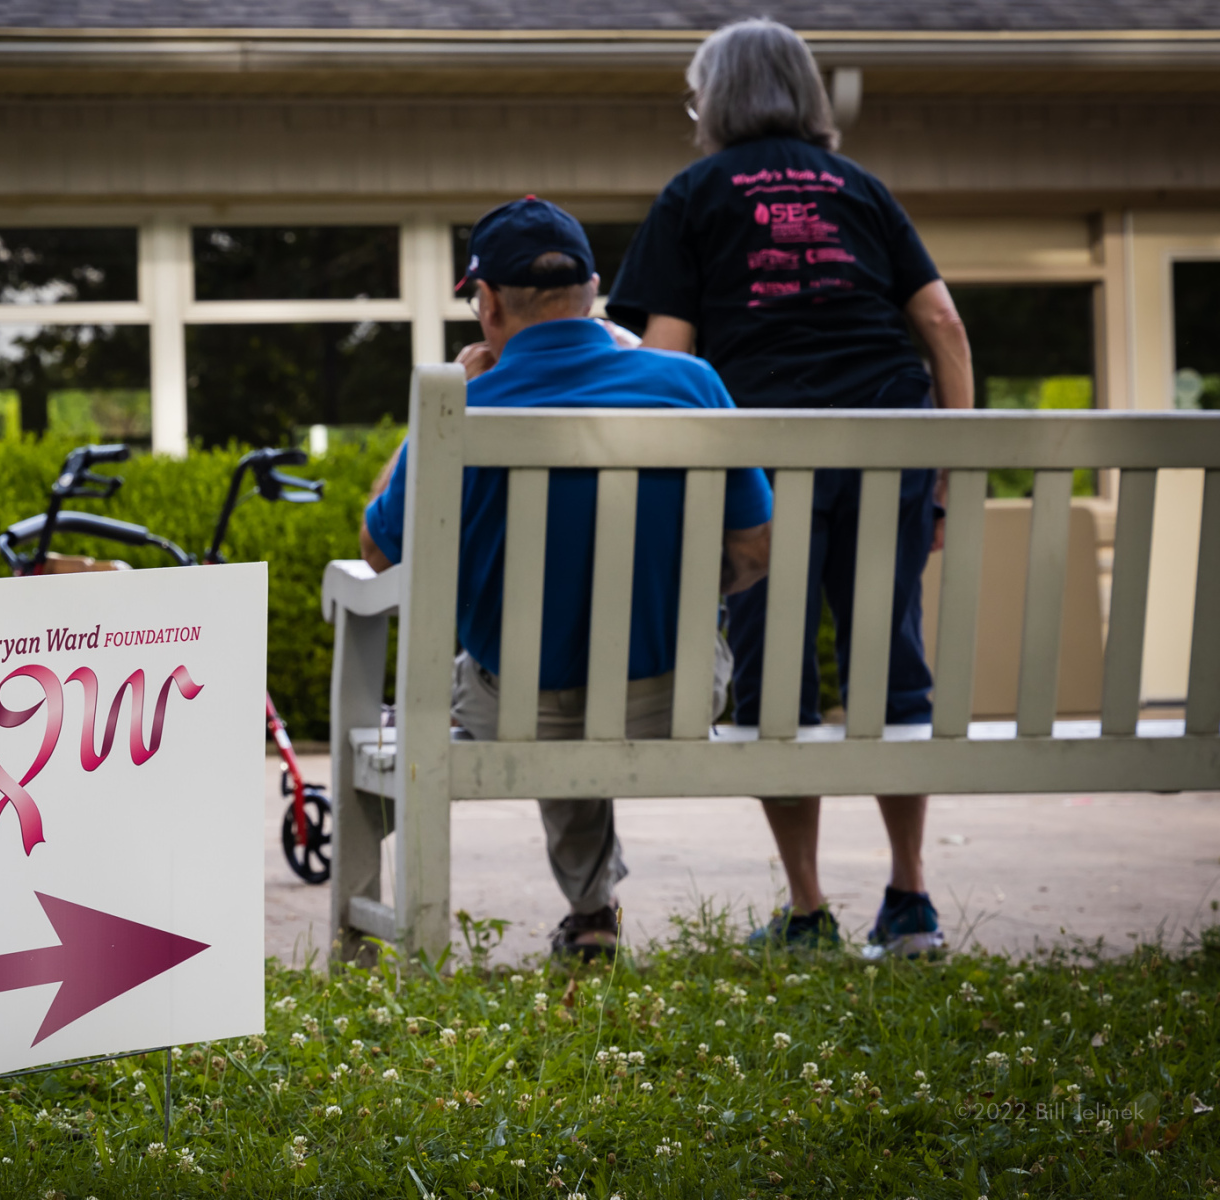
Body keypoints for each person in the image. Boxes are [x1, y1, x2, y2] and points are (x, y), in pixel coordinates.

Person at [607, 17, 975, 959]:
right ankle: (910, 899)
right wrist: (947, 464)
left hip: (763, 467)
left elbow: (669, 360)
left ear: (716, 100)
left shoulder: (693, 193)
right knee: (889, 664)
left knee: (775, 680)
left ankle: (808, 910)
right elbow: (943, 324)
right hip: (888, 443)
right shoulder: (860, 188)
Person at [360, 197, 774, 960]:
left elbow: (378, 554)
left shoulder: (467, 407)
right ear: (593, 291)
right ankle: (589, 917)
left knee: (526, 674)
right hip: (676, 696)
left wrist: (438, 402)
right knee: (573, 664)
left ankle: (589, 912)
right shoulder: (690, 384)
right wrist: (674, 591)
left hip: (519, 708)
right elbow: (755, 550)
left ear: (487, 304)